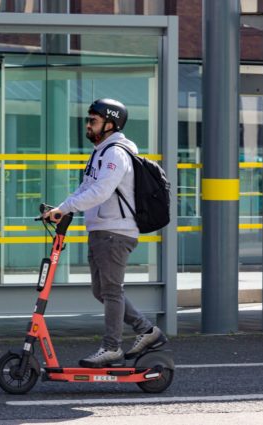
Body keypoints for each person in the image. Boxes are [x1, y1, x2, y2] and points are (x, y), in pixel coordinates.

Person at [43, 98, 167, 368]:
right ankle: (147, 331)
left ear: (110, 124)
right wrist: (61, 209)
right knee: (102, 291)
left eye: (93, 121)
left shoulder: (115, 153)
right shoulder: (100, 152)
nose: (88, 125)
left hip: (115, 231)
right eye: (88, 120)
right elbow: (85, 188)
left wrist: (66, 209)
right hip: (101, 230)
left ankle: (112, 348)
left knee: (111, 291)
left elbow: (101, 192)